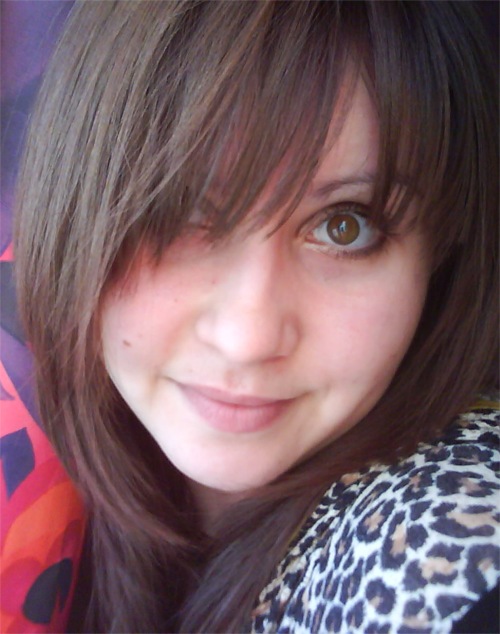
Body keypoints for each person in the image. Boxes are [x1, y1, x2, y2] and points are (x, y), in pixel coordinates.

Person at [13, 1, 499, 632]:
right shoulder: (39, 468)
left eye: (345, 226)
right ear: (73, 208)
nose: (248, 337)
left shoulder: (434, 542)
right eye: (177, 208)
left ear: (439, 257)